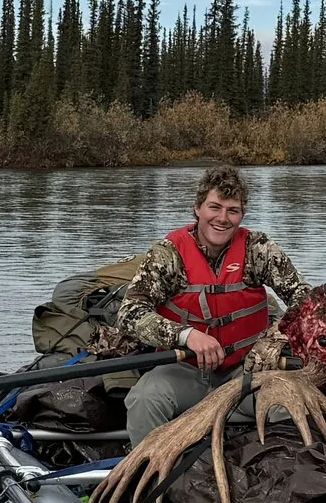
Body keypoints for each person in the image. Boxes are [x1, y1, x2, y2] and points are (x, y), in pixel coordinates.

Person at [114, 165, 312, 444]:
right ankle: (152, 482)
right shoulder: (168, 255)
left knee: (288, 403)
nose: (223, 219)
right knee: (145, 399)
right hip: (185, 372)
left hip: (247, 373)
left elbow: (307, 302)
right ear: (197, 208)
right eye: (214, 207)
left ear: (242, 215)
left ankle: (280, 473)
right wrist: (187, 336)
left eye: (232, 210)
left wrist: (275, 338)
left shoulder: (259, 250)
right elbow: (130, 314)